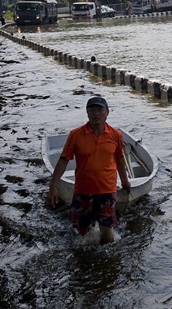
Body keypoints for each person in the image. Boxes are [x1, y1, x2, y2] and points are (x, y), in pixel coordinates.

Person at [47, 97, 131, 244]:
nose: (96, 114)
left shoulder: (115, 135)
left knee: (107, 235)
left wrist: (125, 181)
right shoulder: (76, 135)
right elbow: (63, 161)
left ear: (107, 112)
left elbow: (119, 158)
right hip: (83, 190)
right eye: (92, 110)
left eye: (100, 110)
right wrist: (53, 186)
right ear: (87, 113)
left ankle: (106, 257)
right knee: (82, 234)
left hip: (107, 190)